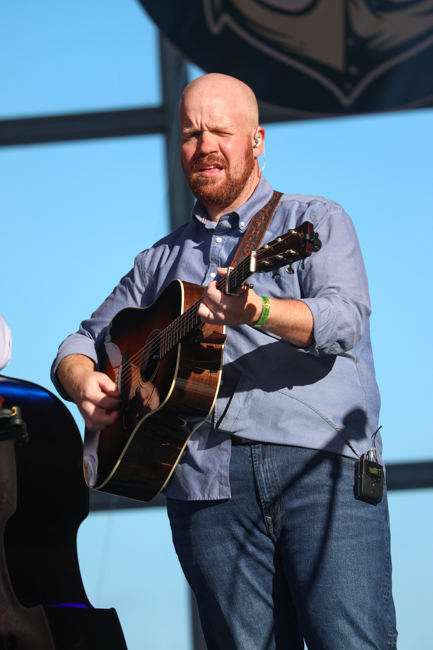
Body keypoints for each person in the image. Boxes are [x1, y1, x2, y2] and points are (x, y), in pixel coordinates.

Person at [51, 73, 397, 649]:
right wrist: (83, 379)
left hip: (320, 469)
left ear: (257, 140)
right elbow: (79, 342)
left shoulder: (313, 221)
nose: (204, 146)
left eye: (220, 131)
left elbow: (345, 320)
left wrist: (258, 309)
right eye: (191, 134)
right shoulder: (157, 262)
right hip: (204, 488)